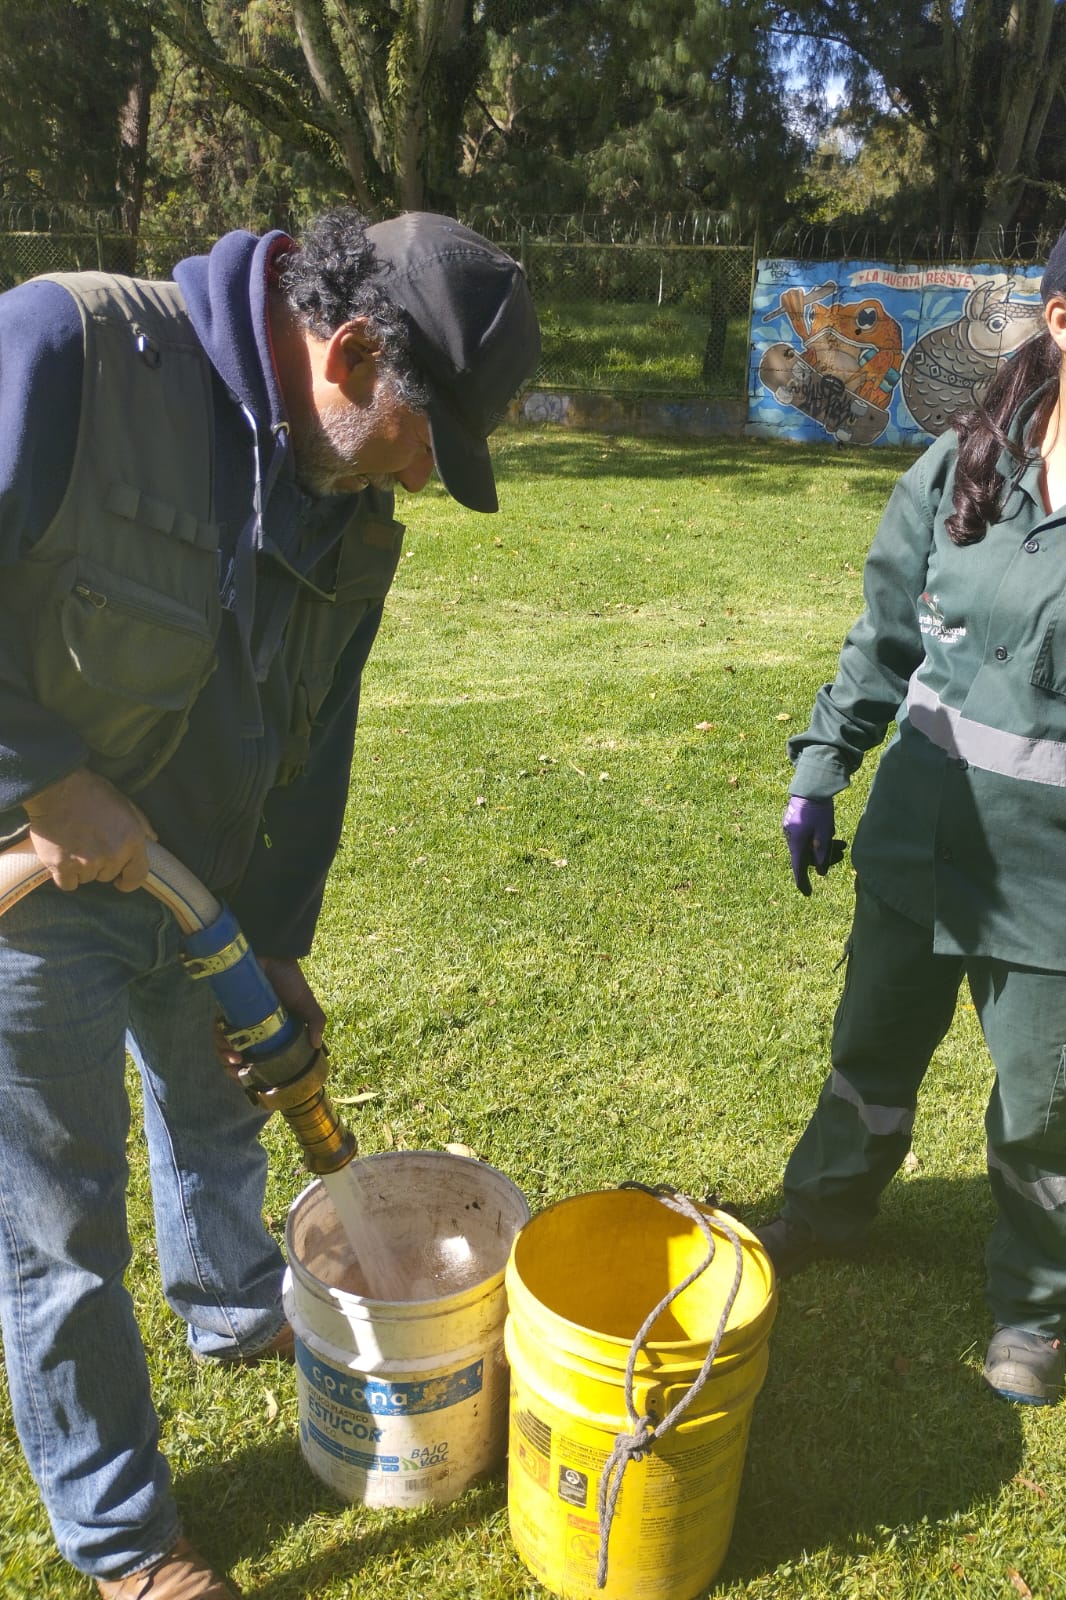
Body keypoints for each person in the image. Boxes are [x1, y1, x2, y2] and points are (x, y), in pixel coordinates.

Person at [0, 210, 538, 1597]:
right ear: (349, 352)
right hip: (35, 880)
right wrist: (47, 781)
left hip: (206, 895)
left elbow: (316, 739)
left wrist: (275, 944)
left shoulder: (353, 507)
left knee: (215, 1110)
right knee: (58, 1222)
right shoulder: (77, 350)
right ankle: (125, 1544)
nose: (421, 478)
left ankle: (240, 1304)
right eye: (425, 436)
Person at [757, 180, 1066, 1407]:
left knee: (1048, 1116)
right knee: (869, 1055)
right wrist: (821, 764)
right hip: (917, 848)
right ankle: (828, 1209)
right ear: (1062, 317)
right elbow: (884, 637)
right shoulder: (962, 463)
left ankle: (1033, 1306)